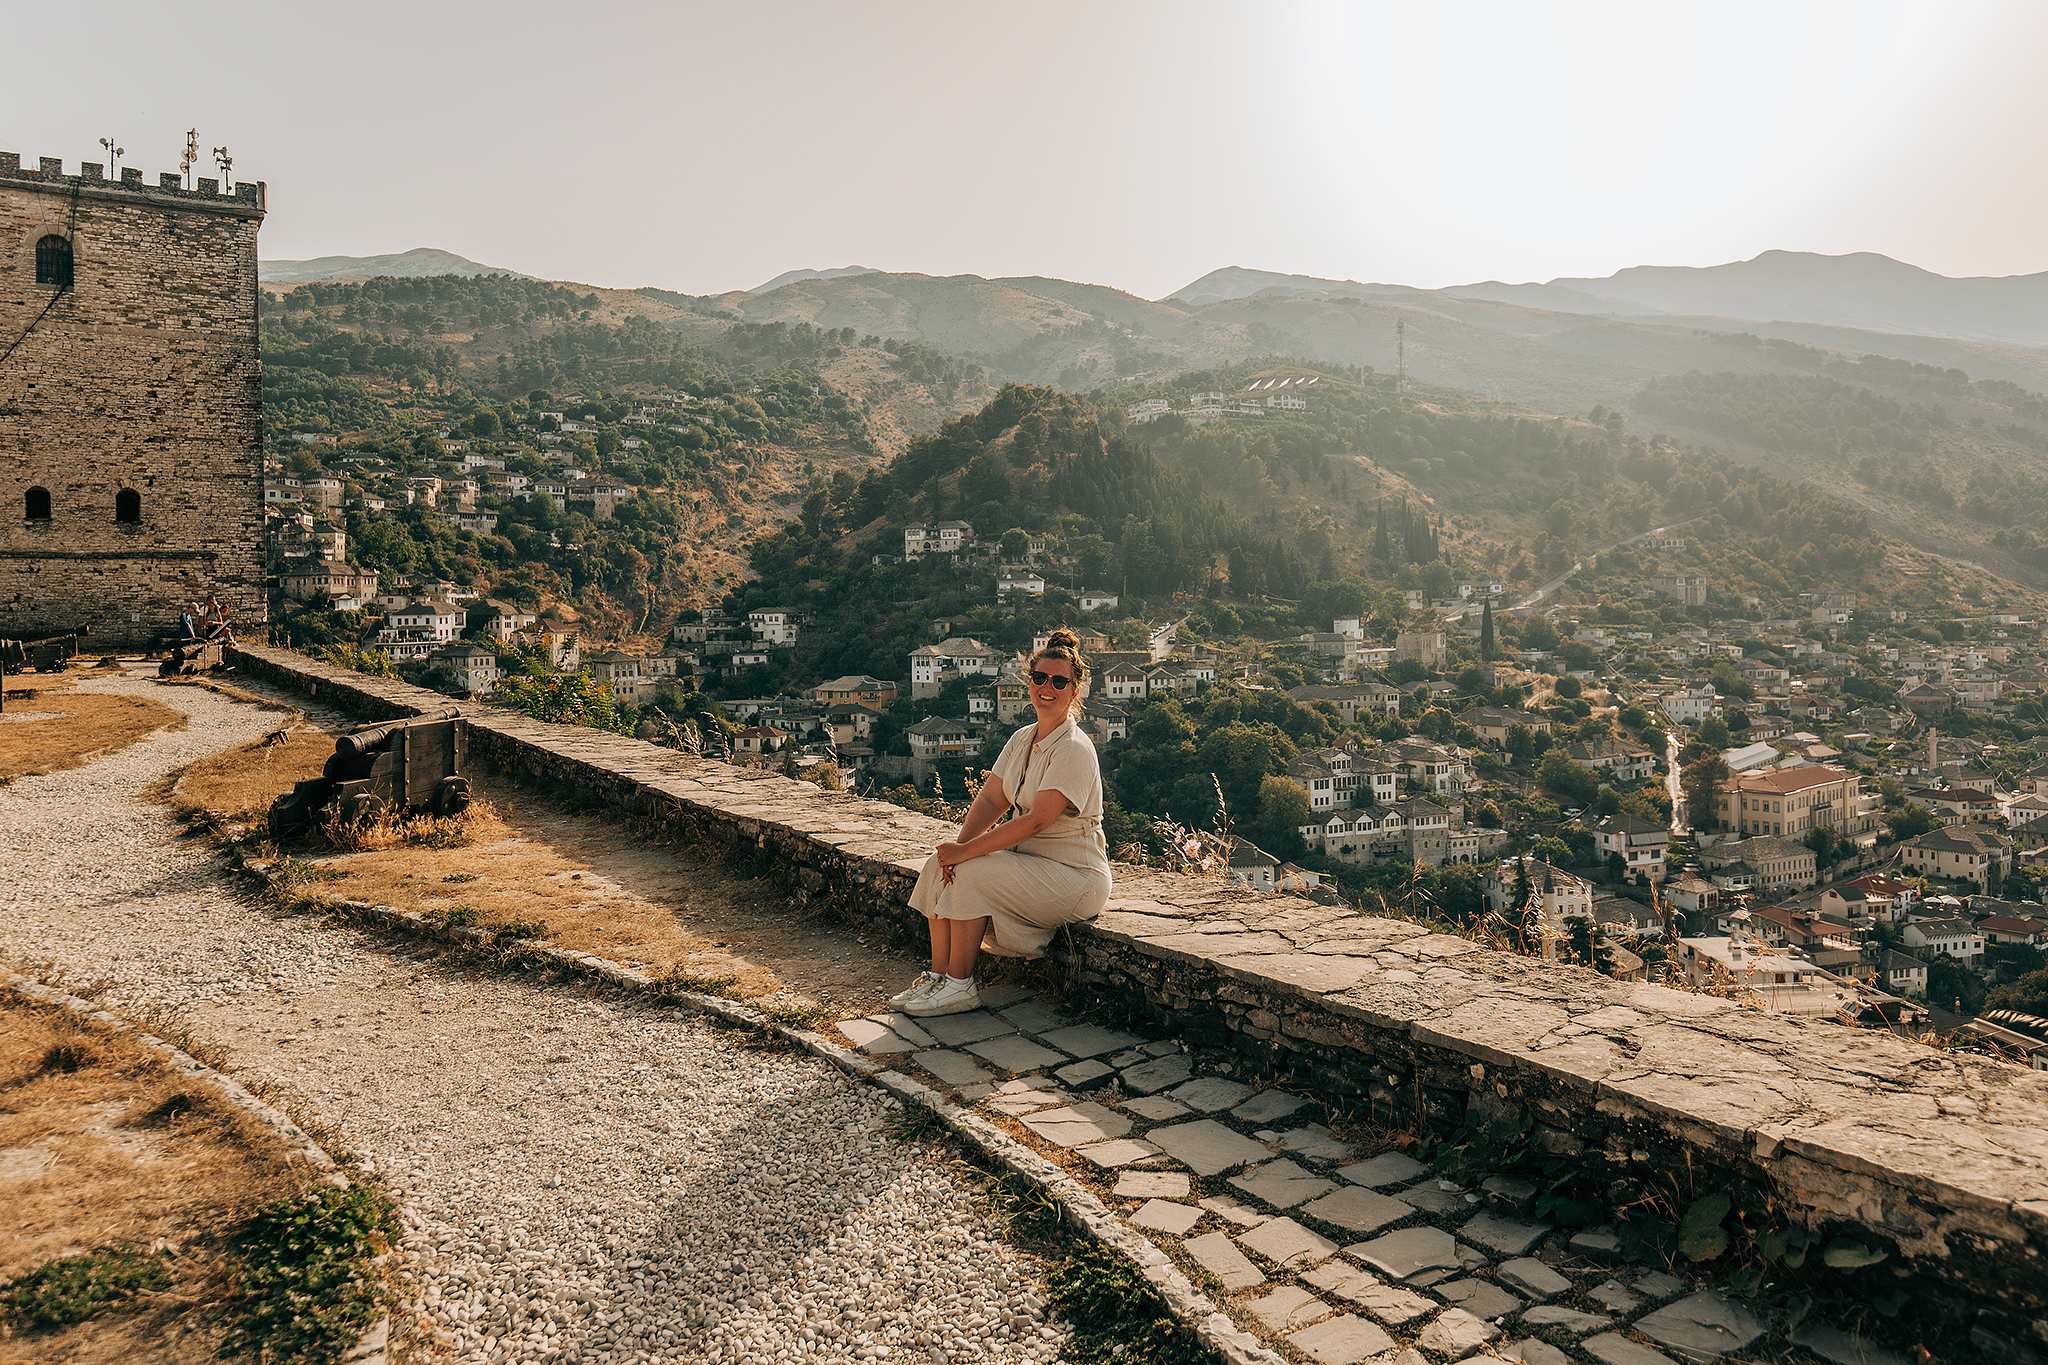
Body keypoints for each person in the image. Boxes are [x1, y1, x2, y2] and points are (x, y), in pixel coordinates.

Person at [894, 628, 1112, 1018]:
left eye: (1059, 681)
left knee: (972, 873)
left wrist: (966, 854)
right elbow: (993, 798)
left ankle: (960, 986)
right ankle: (939, 976)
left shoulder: (1074, 748)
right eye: (1040, 678)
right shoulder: (1022, 738)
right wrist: (954, 854)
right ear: (1030, 682)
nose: (1047, 687)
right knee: (937, 865)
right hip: (1032, 864)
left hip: (1076, 876)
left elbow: (1035, 822)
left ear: (1074, 692)